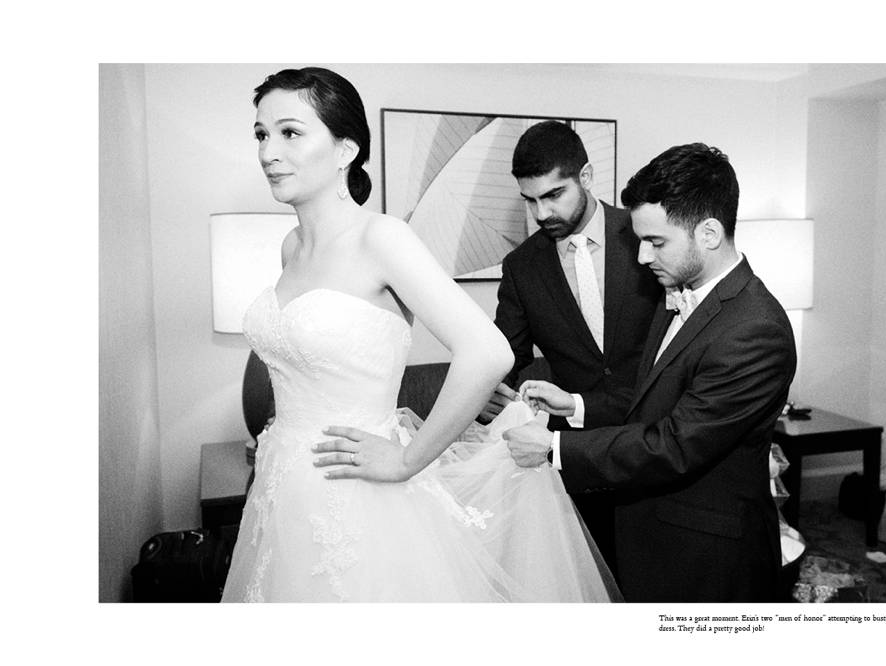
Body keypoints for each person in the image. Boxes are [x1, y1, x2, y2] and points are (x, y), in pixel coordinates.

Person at [220, 68, 615, 602]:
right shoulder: (290, 247)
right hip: (282, 489)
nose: (269, 151)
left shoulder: (382, 237)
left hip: (361, 498)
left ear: (344, 150)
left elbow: (488, 351)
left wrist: (408, 459)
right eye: (261, 134)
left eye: (290, 132)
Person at [504, 143, 797, 602]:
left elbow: (676, 444)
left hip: (707, 558)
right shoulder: (678, 293)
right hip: (651, 536)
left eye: (656, 242)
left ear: (709, 233)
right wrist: (577, 405)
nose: (641, 257)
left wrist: (555, 446)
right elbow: (652, 401)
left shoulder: (755, 330)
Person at [479, 120, 661, 573]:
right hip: (578, 459)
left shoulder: (644, 237)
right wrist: (485, 390)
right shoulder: (522, 266)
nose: (541, 214)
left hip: (659, 447)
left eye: (553, 195)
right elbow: (506, 354)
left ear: (587, 177)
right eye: (530, 200)